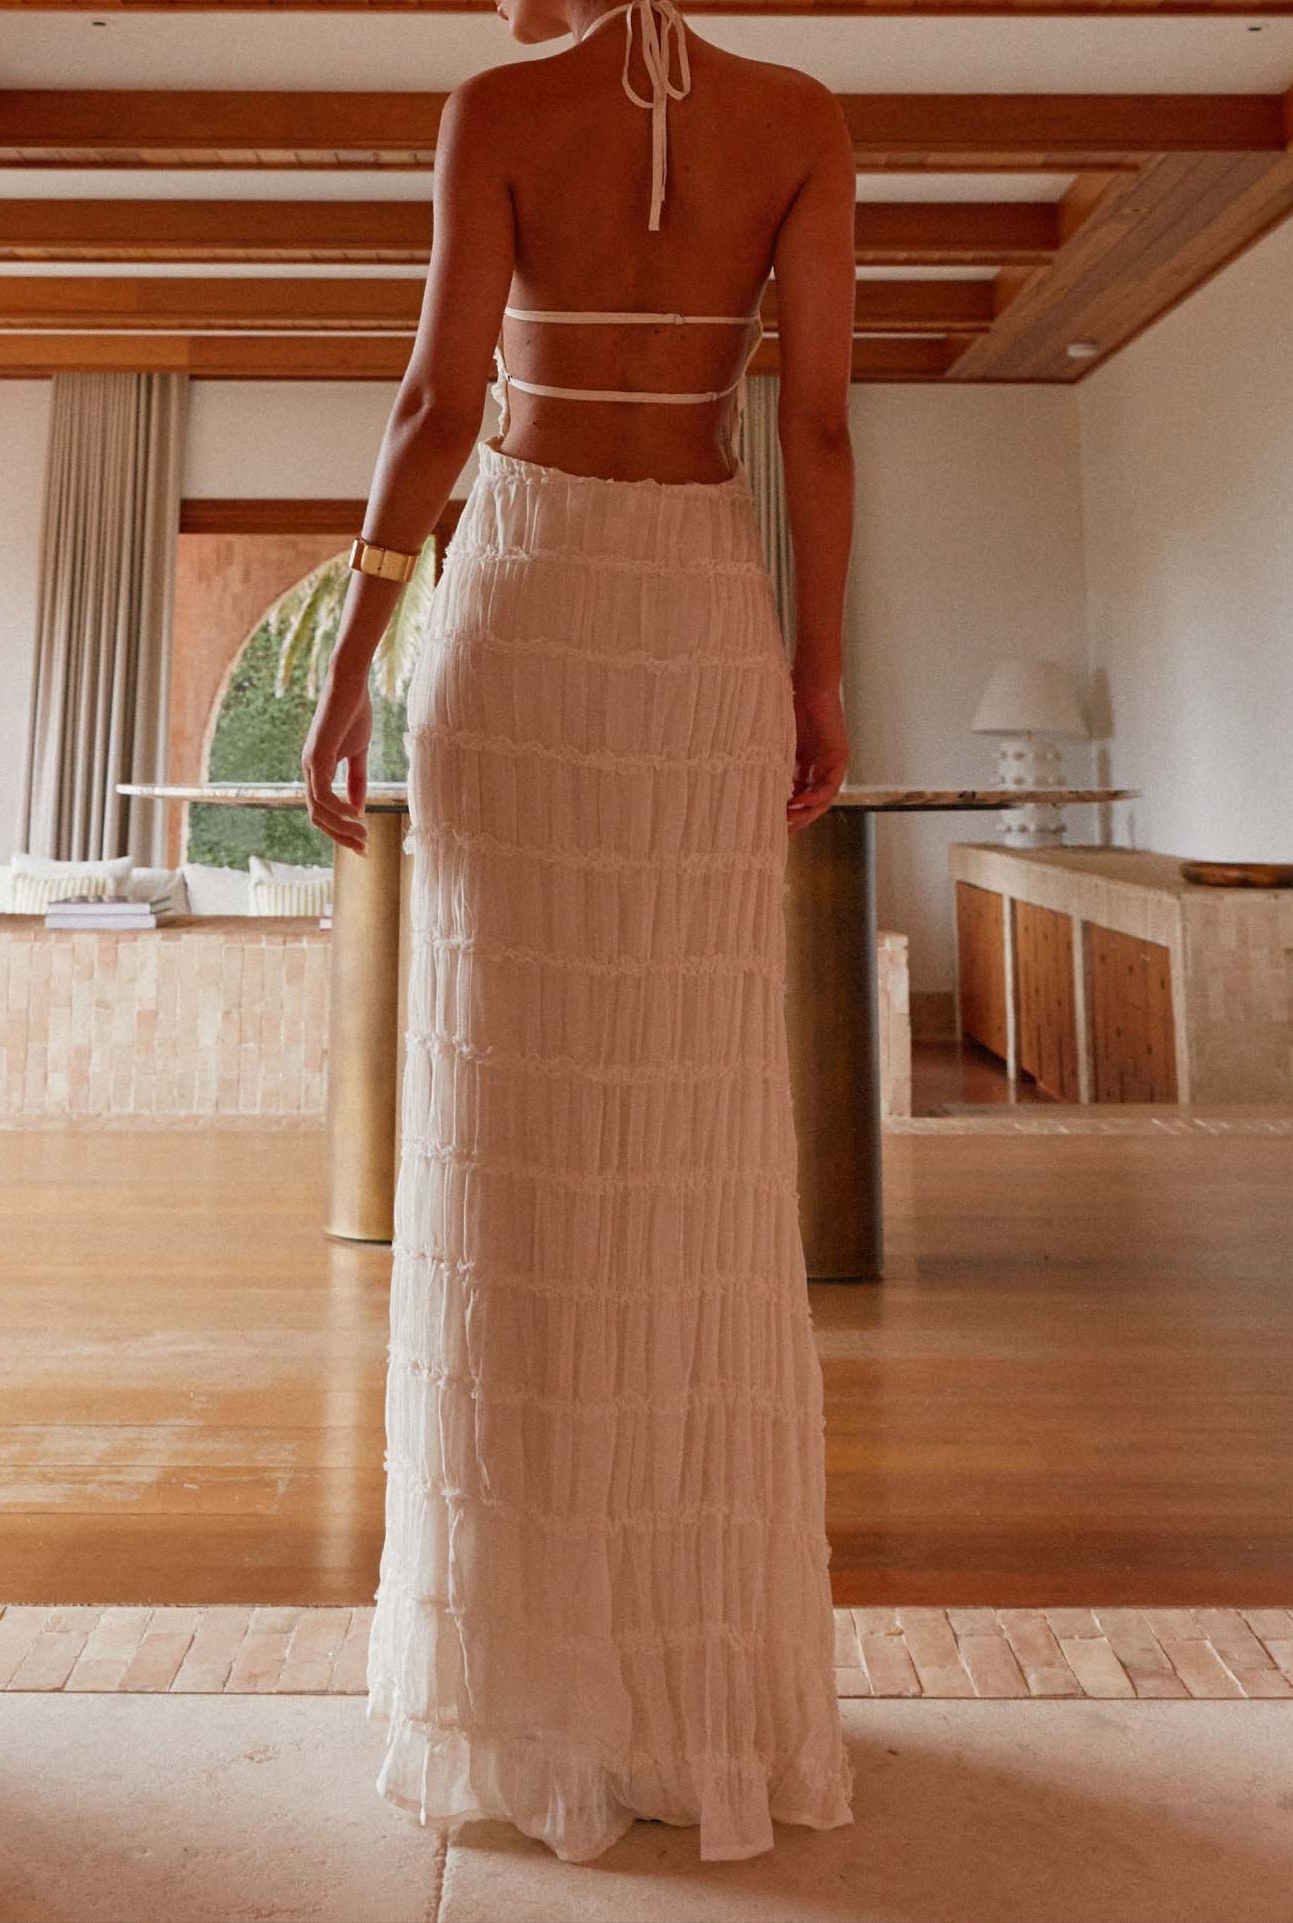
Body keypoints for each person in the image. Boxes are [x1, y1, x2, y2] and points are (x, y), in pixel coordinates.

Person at [303, 0, 856, 1865]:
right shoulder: (800, 118)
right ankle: (689, 1697)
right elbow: (818, 424)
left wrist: (352, 657)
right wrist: (818, 676)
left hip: (529, 603)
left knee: (515, 1140)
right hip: (697, 612)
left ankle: (528, 1682)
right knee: (691, 1141)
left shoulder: (499, 105)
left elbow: (435, 409)